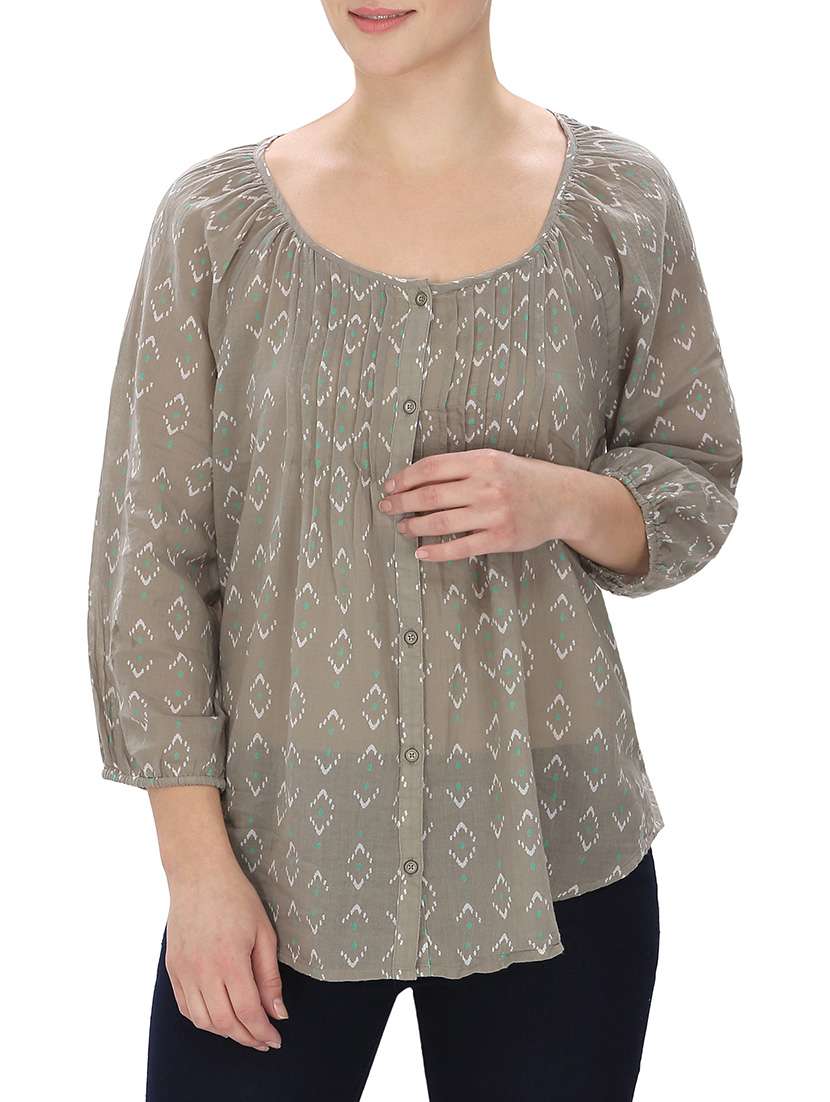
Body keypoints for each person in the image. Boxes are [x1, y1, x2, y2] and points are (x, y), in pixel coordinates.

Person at [86, 2, 742, 1099]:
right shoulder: (214, 221)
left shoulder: (622, 203)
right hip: (280, 856)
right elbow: (147, 560)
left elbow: (696, 475)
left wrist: (560, 500)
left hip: (558, 848)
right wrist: (194, 871)